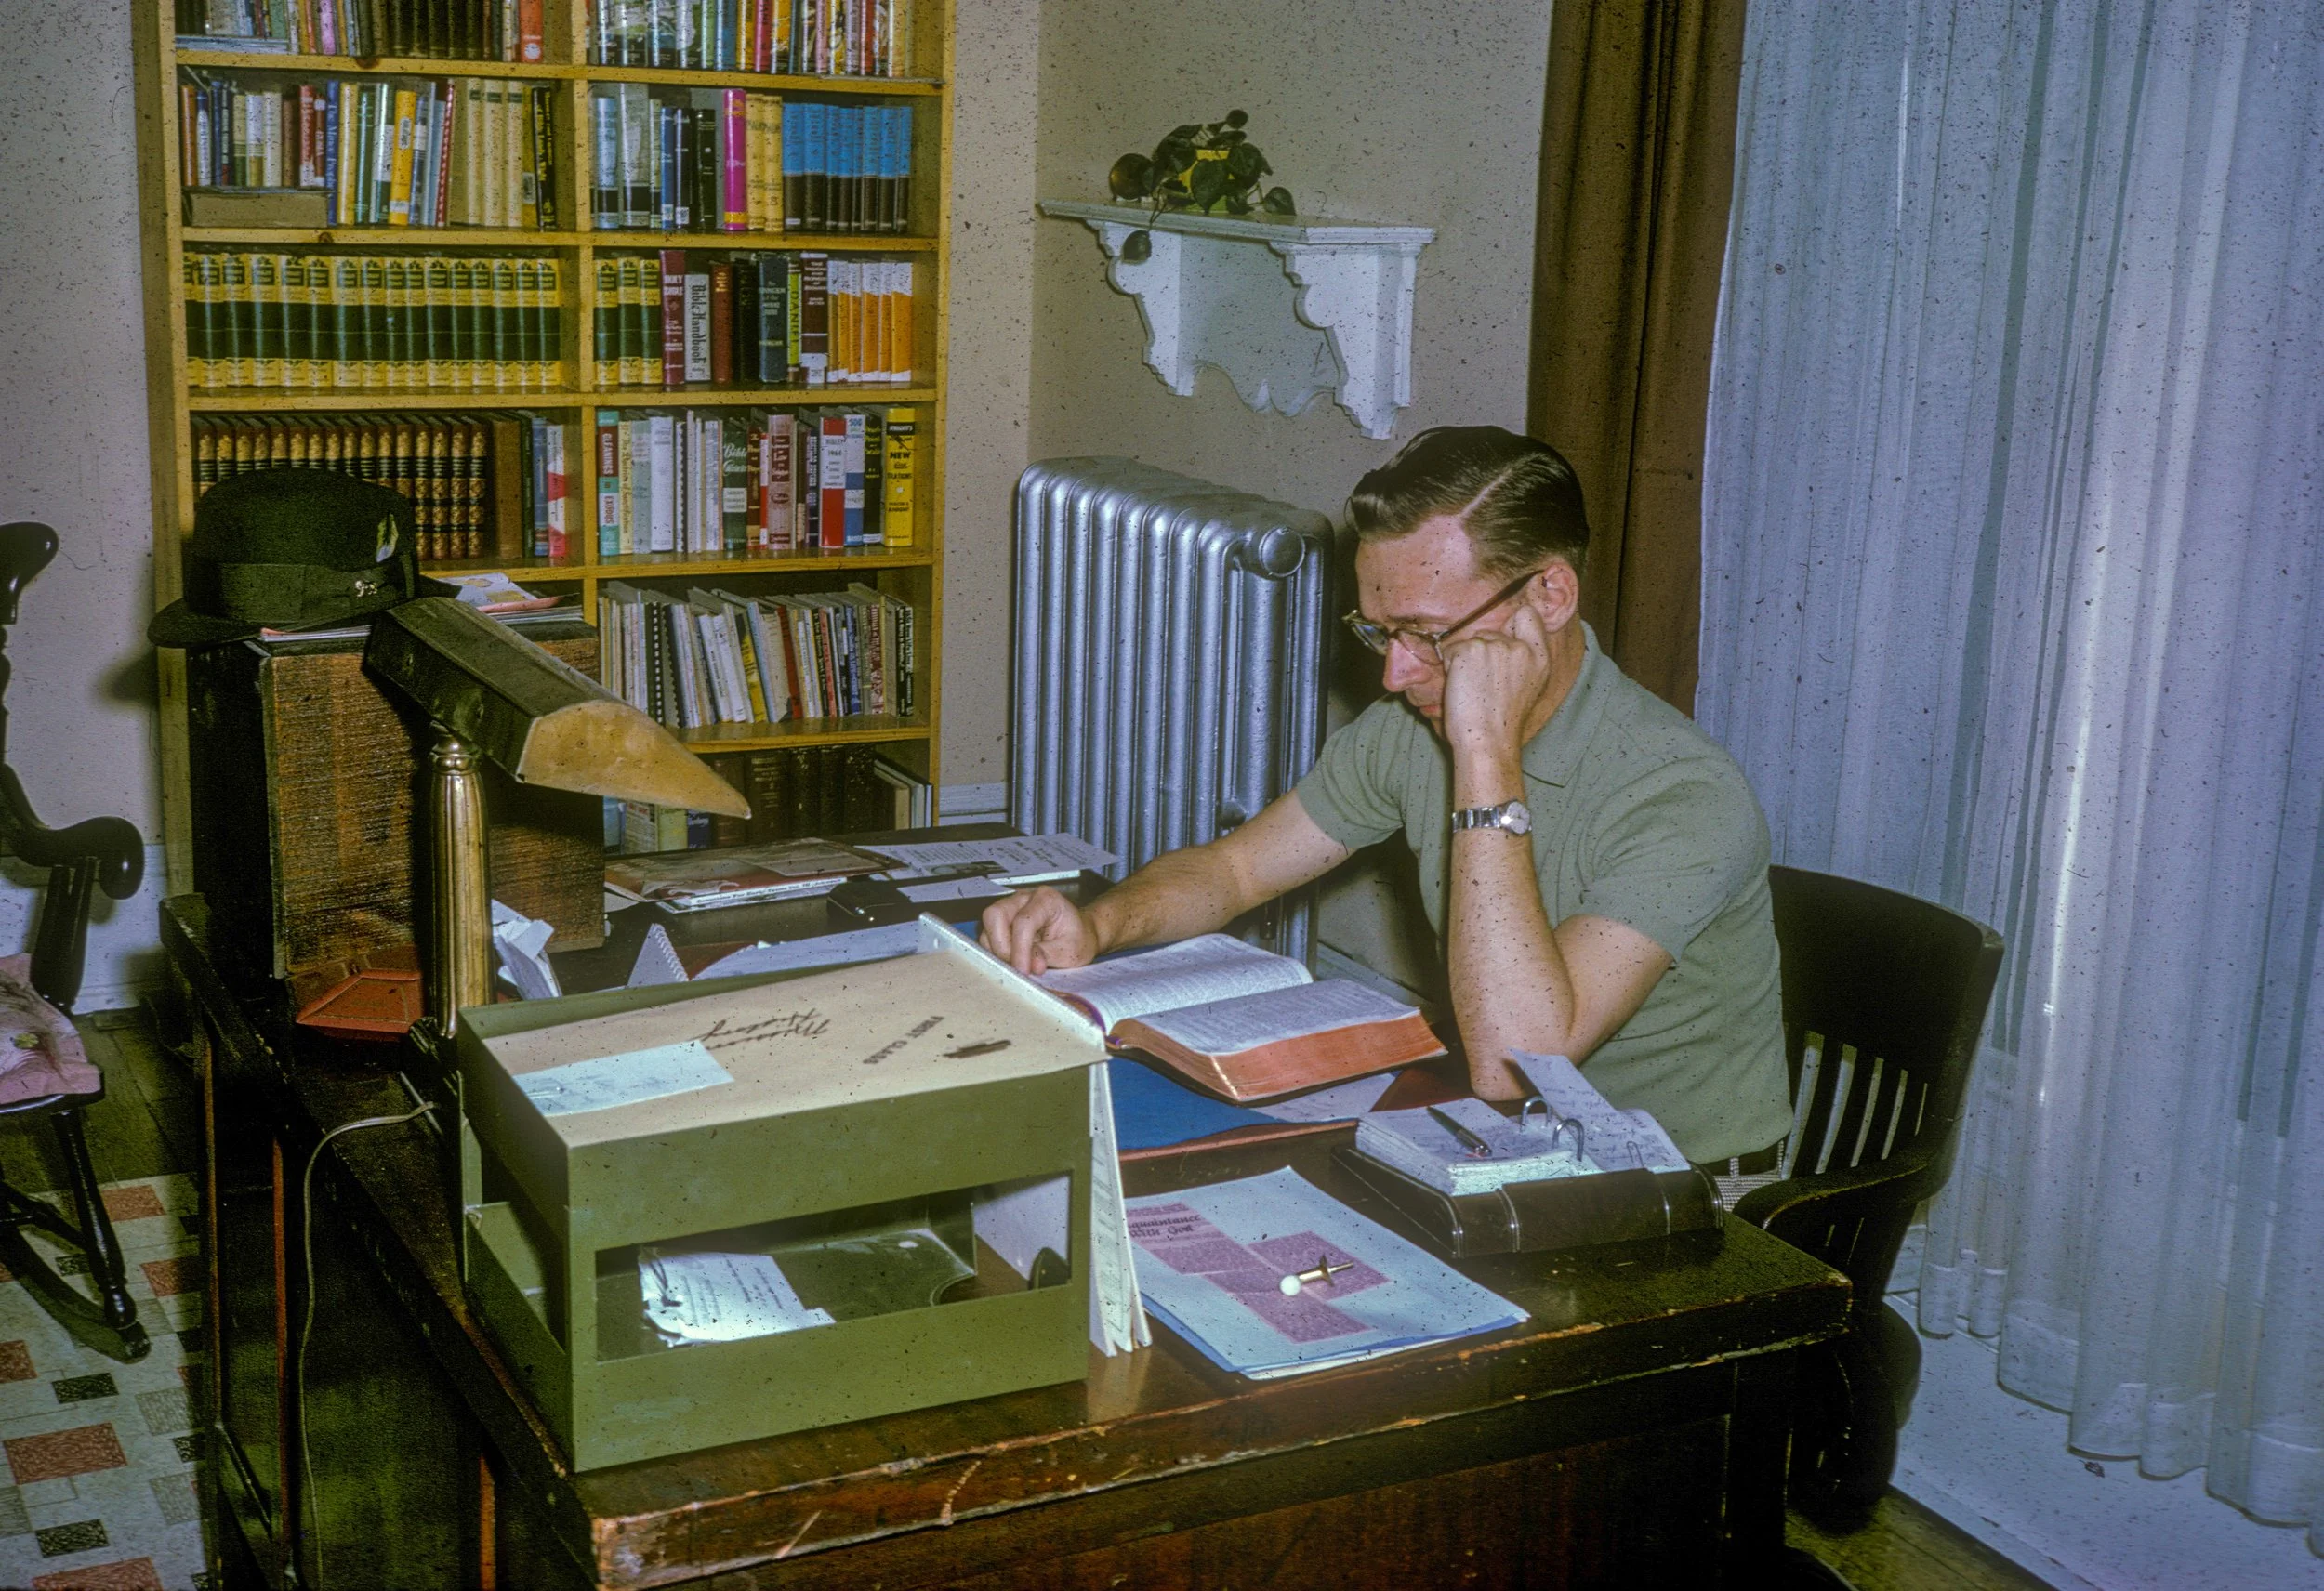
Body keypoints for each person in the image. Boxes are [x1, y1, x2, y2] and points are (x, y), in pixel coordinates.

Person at [982, 427, 1791, 1168]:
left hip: (1680, 1191)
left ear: (1549, 597)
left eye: (1428, 635)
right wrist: (1099, 923)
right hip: (1511, 1145)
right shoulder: (1411, 723)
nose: (1396, 676)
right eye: (1378, 632)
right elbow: (1234, 872)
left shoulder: (1682, 793)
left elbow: (1518, 1061)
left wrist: (1484, 753)